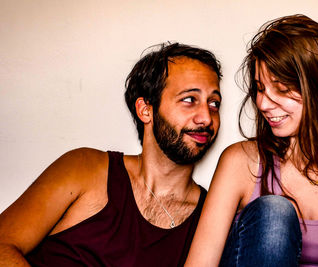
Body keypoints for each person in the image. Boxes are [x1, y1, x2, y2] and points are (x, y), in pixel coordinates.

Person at [185, 14, 318, 267]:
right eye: (260, 88)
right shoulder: (241, 162)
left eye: (281, 89)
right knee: (275, 212)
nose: (262, 103)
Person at [0, 42, 222, 266]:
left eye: (214, 103)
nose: (206, 117)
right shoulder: (85, 168)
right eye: (189, 99)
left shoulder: (210, 220)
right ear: (146, 110)